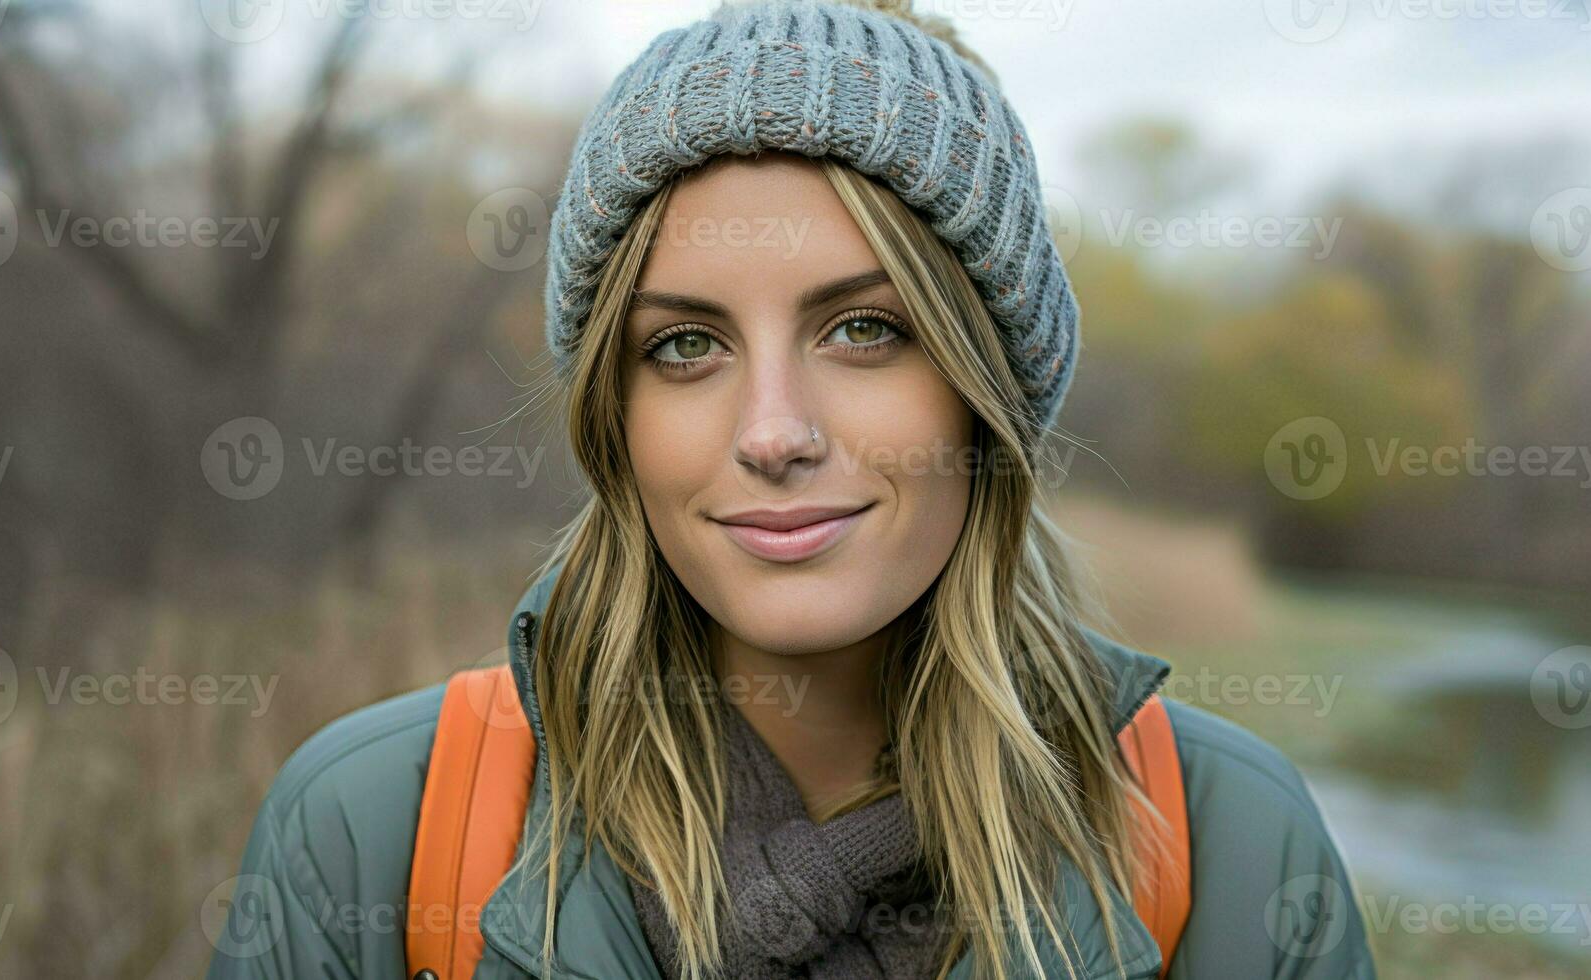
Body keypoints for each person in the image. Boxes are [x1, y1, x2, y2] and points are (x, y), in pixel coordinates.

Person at [207, 1, 1376, 977]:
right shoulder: (380, 836)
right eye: (684, 347)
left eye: (865, 328)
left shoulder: (1227, 855)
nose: (773, 433)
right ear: (615, 417)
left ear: (988, 388)